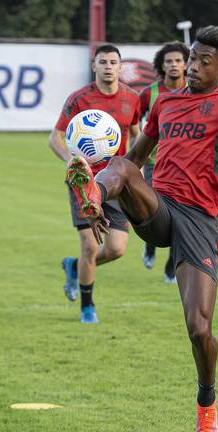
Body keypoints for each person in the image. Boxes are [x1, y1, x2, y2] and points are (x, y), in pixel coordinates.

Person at [65, 26, 218, 432]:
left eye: (203, 61)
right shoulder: (166, 103)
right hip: (159, 207)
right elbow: (135, 160)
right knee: (120, 165)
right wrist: (105, 195)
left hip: (199, 222)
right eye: (192, 58)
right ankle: (91, 195)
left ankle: (206, 403)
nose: (192, 67)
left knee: (198, 328)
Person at [49, 44, 141, 324]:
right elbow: (55, 137)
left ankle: (74, 267)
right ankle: (87, 307)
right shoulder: (79, 98)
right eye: (103, 62)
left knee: (116, 249)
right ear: (94, 66)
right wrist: (70, 160)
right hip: (84, 182)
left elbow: (136, 134)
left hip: (115, 182)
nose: (108, 66)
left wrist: (133, 165)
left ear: (120, 66)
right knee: (90, 246)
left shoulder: (132, 98)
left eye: (113, 62)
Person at [138, 41, 189, 283]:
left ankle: (171, 267)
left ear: (186, 64)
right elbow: (133, 122)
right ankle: (150, 245)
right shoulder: (150, 93)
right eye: (169, 61)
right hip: (153, 163)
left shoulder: (193, 92)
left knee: (179, 218)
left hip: (184, 166)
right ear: (162, 65)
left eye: (178, 60)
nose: (174, 65)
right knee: (155, 213)